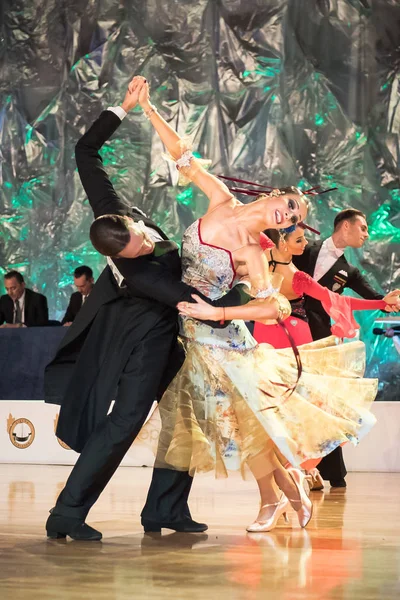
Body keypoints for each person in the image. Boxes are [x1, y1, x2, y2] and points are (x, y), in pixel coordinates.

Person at [132, 75, 399, 533]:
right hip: (191, 337)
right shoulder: (221, 200)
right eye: (290, 206)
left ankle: (276, 498)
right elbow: (184, 157)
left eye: (295, 218)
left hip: (221, 340)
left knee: (242, 426)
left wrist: (217, 313)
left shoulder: (255, 250)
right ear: (274, 194)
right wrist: (148, 109)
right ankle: (285, 494)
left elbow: (274, 308)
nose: (290, 215)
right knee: (236, 428)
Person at [44, 77, 269, 541]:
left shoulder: (111, 213)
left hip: (176, 338)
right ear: (121, 258)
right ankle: (66, 513)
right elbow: (196, 301)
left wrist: (123, 108)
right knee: (126, 421)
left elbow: (85, 153)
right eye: (138, 248)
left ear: (125, 221)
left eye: (143, 235)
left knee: (184, 418)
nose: (147, 242)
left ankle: (165, 509)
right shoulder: (144, 275)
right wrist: (250, 292)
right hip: (144, 340)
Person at [292, 208, 386, 488]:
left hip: (319, 337)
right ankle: (299, 470)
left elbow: (373, 295)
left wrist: (389, 301)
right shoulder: (302, 246)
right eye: (364, 228)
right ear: (346, 226)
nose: (367, 234)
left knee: (322, 400)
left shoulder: (349, 270)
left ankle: (331, 471)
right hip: (288, 327)